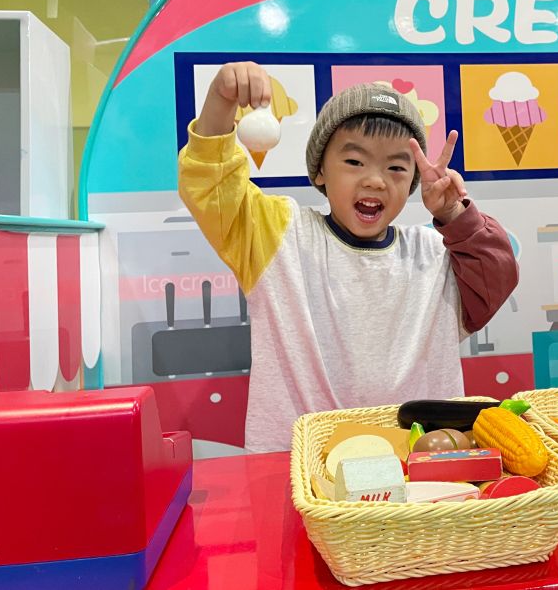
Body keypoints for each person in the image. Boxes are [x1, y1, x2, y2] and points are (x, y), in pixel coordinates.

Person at [178, 62, 518, 452]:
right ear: (320, 170)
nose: (375, 180)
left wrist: (455, 214)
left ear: (413, 181)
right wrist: (221, 101)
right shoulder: (277, 234)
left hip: (419, 470)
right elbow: (211, 184)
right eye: (354, 162)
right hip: (299, 466)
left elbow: (497, 276)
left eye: (396, 167)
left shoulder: (434, 253)